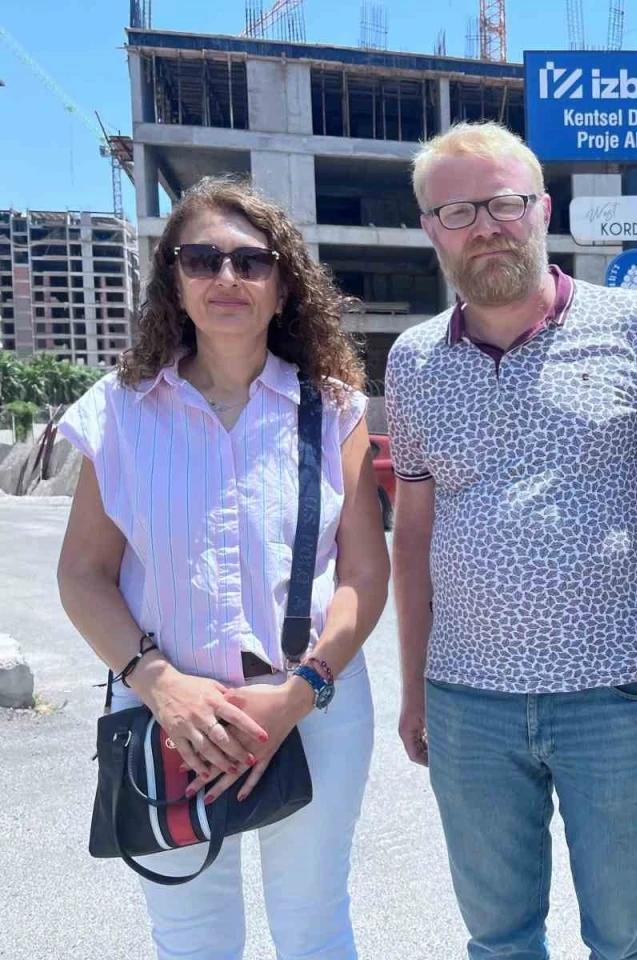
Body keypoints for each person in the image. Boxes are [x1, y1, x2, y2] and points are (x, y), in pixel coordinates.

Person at [56, 175, 389, 960]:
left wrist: (300, 691)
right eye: (202, 259)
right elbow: (83, 574)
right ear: (174, 280)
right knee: (191, 941)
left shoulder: (335, 409)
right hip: (164, 711)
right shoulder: (119, 411)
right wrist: (160, 685)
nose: (227, 277)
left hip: (312, 705)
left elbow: (363, 577)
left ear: (284, 286)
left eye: (251, 260)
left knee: (314, 930)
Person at [385, 121, 637, 960]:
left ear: (543, 210)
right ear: (431, 229)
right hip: (467, 701)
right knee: (499, 938)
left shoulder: (636, 327)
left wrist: (588, 555)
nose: (485, 227)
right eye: (457, 212)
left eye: (504, 204)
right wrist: (415, 688)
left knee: (625, 939)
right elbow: (413, 536)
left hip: (613, 694)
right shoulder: (412, 361)